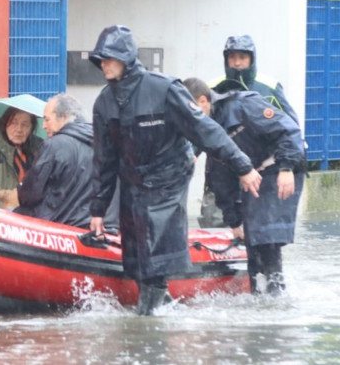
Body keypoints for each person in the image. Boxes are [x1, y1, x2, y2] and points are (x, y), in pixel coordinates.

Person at [87, 25, 262, 315]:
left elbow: (205, 130)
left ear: (126, 58)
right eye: (100, 60)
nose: (104, 65)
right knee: (138, 257)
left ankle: (148, 317)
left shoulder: (164, 88)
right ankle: (161, 304)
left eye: (109, 58)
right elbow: (104, 160)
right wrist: (98, 209)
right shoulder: (104, 103)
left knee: (155, 246)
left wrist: (242, 166)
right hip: (134, 180)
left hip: (170, 176)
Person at [183, 77, 305, 295]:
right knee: (251, 238)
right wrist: (234, 220)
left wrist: (287, 168)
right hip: (252, 173)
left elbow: (289, 131)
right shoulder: (206, 130)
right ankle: (259, 292)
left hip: (280, 165)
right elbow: (219, 176)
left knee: (265, 233)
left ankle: (277, 293)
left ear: (203, 101)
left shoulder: (242, 106)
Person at [200, 34, 301, 227]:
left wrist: (287, 166)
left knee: (261, 228)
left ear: (252, 59)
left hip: (261, 170)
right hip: (223, 167)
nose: (237, 63)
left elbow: (290, 125)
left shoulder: (269, 86)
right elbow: (200, 125)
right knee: (215, 220)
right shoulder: (212, 88)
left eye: (243, 57)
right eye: (232, 57)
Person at [15, 94, 114, 229]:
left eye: (47, 119)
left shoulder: (53, 146)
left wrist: (21, 187)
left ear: (64, 117)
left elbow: (30, 194)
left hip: (55, 227)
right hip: (93, 227)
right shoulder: (106, 145)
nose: (43, 126)